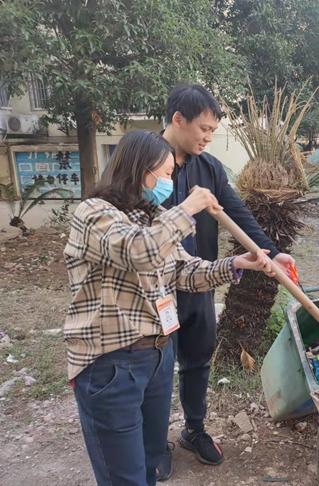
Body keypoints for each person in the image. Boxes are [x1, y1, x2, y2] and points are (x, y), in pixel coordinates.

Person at [64, 130, 272, 486]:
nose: (169, 181)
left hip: (157, 357)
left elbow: (184, 271)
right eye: (164, 173)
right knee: (124, 477)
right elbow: (139, 253)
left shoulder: (152, 217)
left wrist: (237, 263)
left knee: (149, 464)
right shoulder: (94, 213)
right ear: (137, 170)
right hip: (112, 365)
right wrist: (187, 207)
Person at [158, 84, 295, 476]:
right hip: (158, 291)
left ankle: (194, 429)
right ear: (178, 120)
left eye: (213, 131)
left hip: (200, 281)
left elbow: (236, 209)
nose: (207, 137)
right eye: (202, 128)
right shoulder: (149, 162)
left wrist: (268, 251)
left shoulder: (210, 168)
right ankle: (154, 443)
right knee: (157, 368)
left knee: (198, 359)